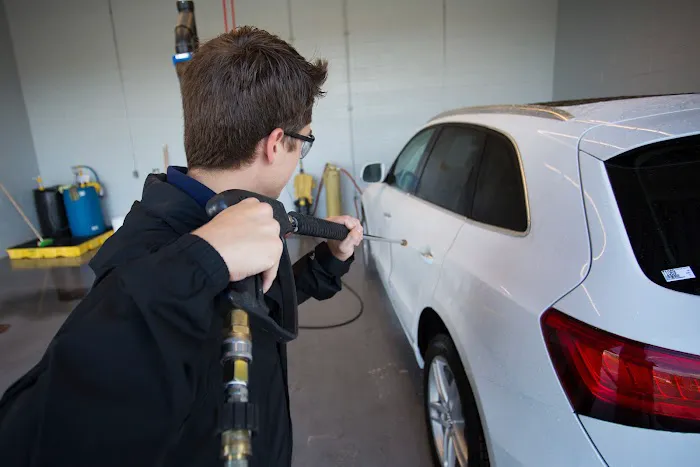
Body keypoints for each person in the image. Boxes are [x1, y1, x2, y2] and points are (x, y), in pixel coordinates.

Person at [0, 27, 363, 467]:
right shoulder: (152, 260)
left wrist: (328, 261)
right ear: (274, 144)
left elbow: (250, 309)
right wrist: (201, 260)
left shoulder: (239, 228)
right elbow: (33, 443)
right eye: (303, 142)